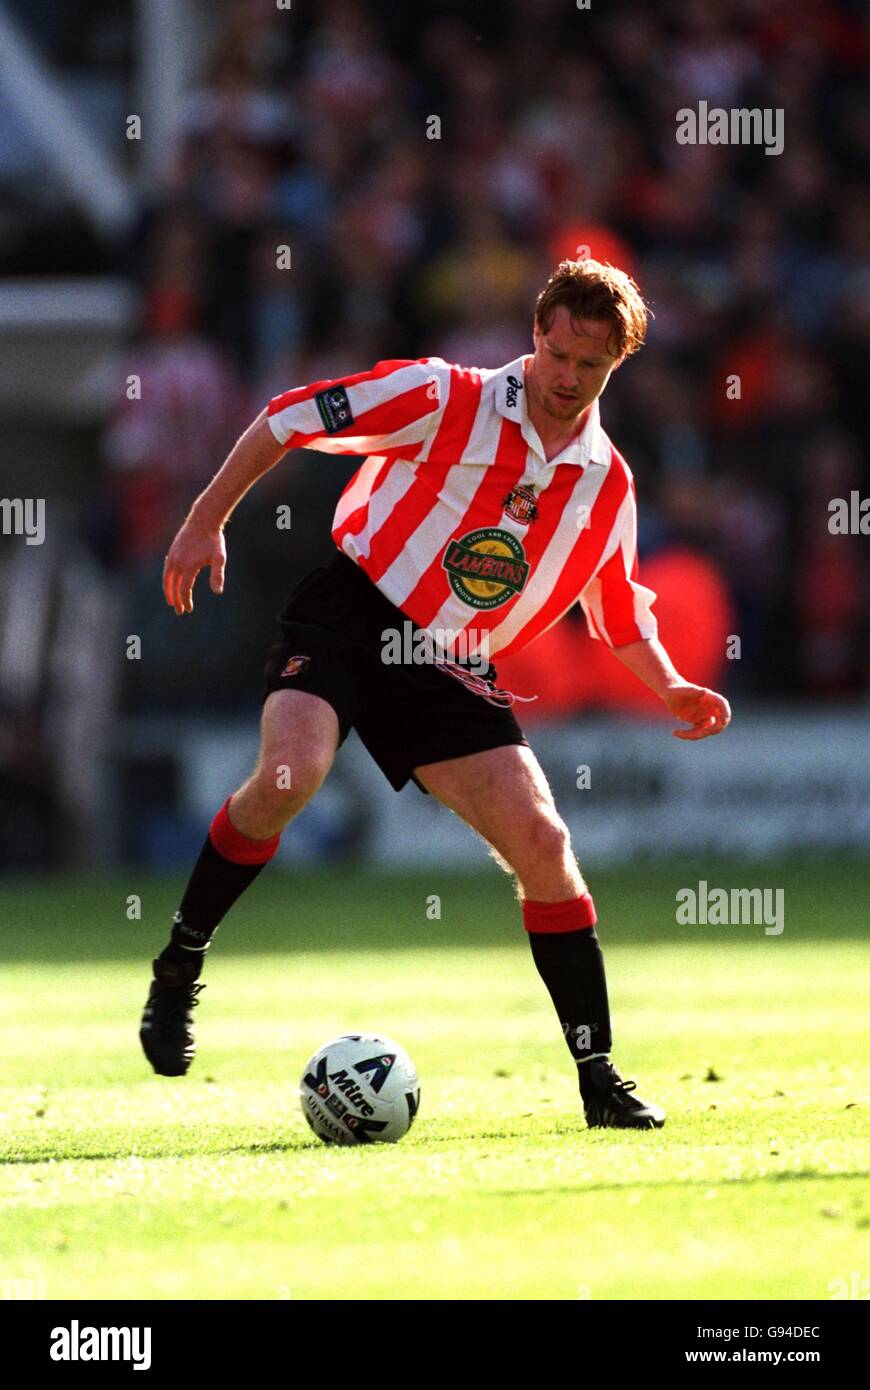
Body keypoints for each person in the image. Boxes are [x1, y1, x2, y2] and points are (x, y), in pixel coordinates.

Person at [140, 258, 731, 1129]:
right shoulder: (443, 396)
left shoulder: (607, 482)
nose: (569, 379)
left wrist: (673, 684)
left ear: (618, 364)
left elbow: (615, 609)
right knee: (286, 780)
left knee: (542, 840)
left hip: (446, 656)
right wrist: (204, 519)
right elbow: (289, 417)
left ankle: (599, 1076)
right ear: (537, 335)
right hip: (352, 609)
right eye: (560, 355)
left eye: (592, 366)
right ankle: (181, 963)